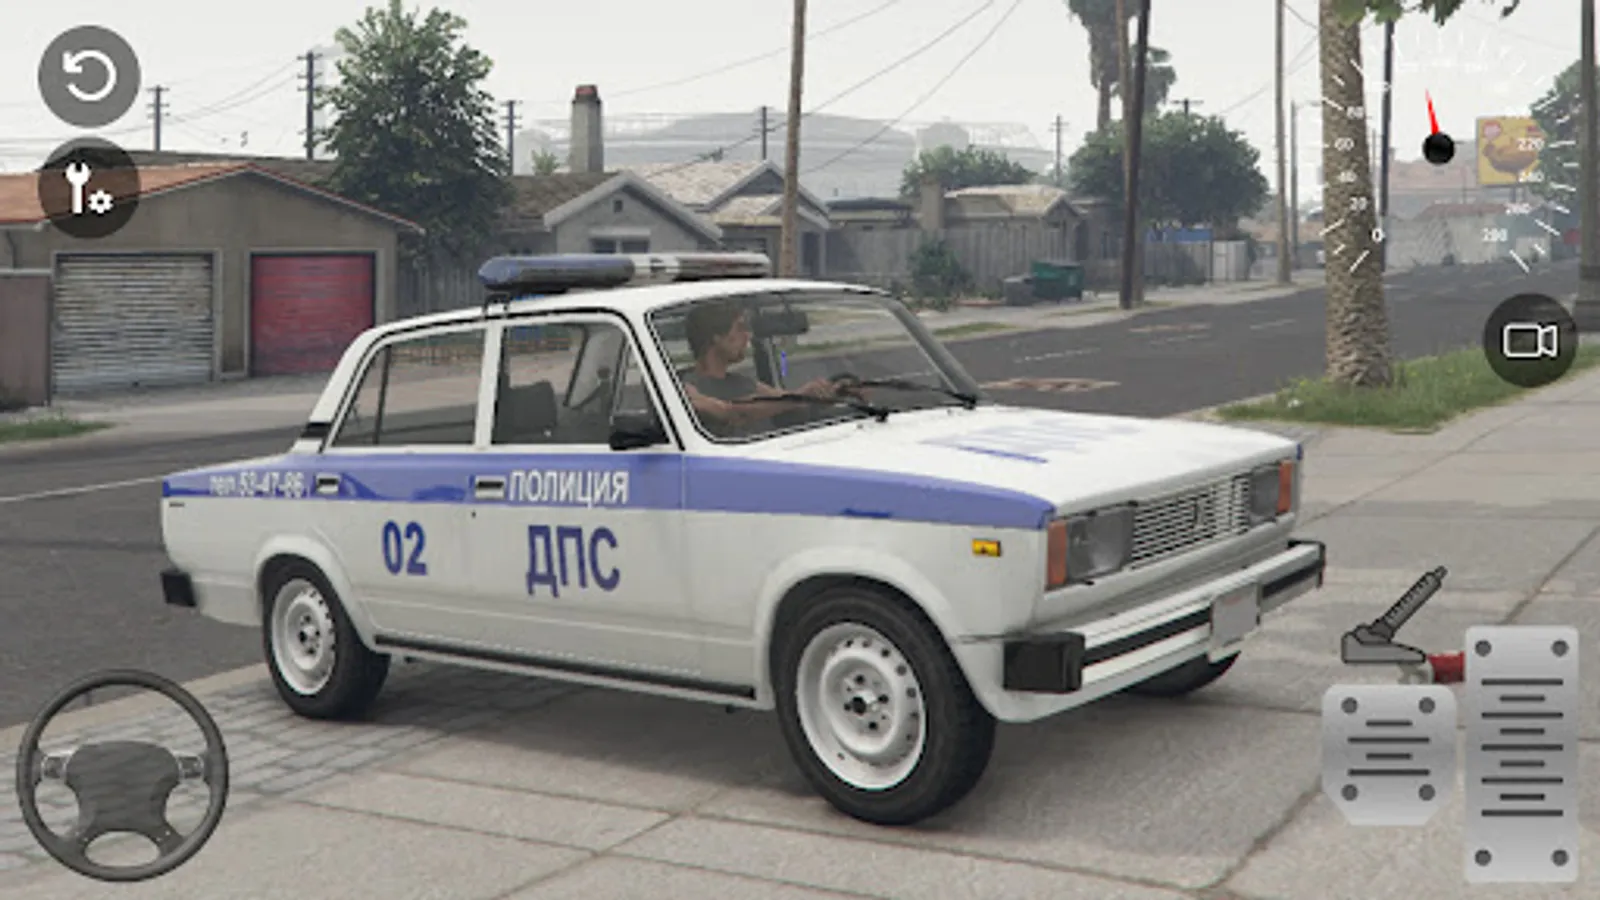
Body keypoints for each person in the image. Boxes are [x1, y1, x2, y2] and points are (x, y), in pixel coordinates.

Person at [679, 300, 845, 433]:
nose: (748, 335)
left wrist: (825, 392)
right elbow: (734, 413)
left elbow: (783, 398)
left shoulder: (743, 383)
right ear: (716, 337)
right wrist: (799, 397)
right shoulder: (685, 387)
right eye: (740, 328)